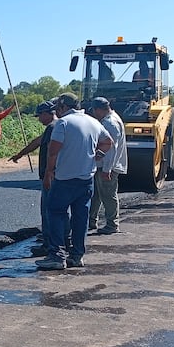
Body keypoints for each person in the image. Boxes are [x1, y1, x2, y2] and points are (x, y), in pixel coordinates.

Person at [36, 93, 113, 270]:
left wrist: (48, 173)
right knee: (80, 217)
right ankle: (77, 256)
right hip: (86, 179)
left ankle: (57, 256)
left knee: (55, 213)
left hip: (64, 179)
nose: (57, 112)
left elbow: (53, 152)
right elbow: (108, 142)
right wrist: (97, 156)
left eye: (58, 108)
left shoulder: (63, 123)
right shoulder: (93, 122)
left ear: (63, 107)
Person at [10, 99, 58, 256]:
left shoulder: (52, 127)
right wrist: (20, 154)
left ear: (46, 113)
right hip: (57, 175)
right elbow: (36, 142)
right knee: (55, 210)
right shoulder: (57, 126)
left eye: (39, 116)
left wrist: (48, 173)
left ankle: (49, 245)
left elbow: (51, 152)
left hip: (51, 176)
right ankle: (55, 240)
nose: (39, 119)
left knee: (48, 210)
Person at [87, 97, 127, 234]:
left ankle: (112, 224)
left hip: (108, 166)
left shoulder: (110, 123)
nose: (94, 114)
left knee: (108, 195)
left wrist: (107, 169)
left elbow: (111, 149)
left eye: (94, 111)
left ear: (98, 109)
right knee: (97, 195)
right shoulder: (110, 120)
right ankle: (91, 220)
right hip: (104, 165)